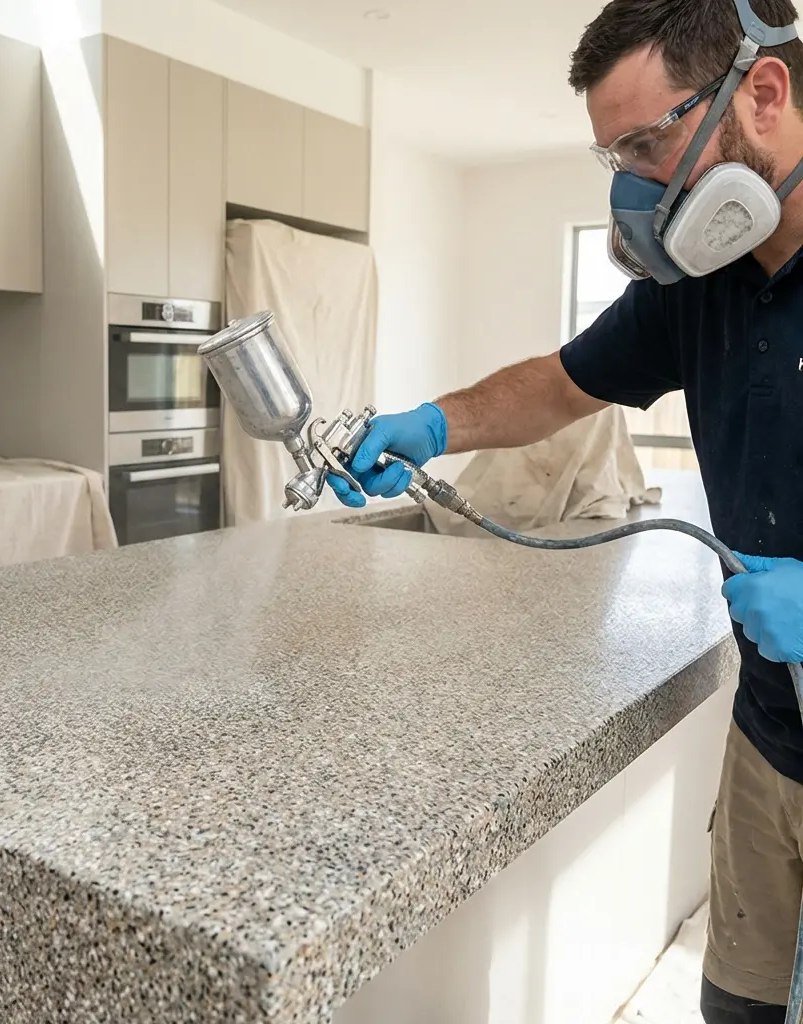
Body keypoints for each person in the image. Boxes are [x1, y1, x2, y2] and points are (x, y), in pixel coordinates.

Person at [329, 0, 803, 1020]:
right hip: (773, 741)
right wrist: (433, 423)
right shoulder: (700, 282)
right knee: (743, 1009)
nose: (634, 185)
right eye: (613, 157)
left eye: (648, 143)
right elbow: (559, 383)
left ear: (763, 94)